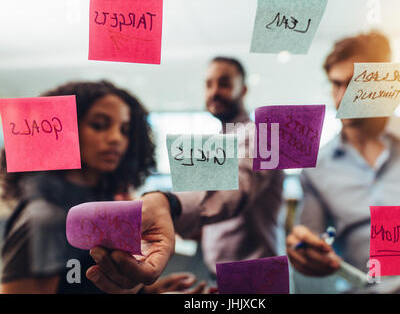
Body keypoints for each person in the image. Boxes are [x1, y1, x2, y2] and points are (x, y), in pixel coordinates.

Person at [87, 57, 285, 293]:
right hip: (221, 276)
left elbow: (234, 188)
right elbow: (209, 205)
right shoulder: (217, 142)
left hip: (258, 278)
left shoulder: (262, 135)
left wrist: (169, 204)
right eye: (208, 84)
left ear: (243, 89)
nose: (214, 91)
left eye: (224, 83)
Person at [286, 31, 400, 293]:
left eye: (354, 84)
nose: (342, 97)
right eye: (336, 84)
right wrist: (303, 251)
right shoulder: (318, 169)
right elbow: (309, 236)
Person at [0, 81, 199, 294]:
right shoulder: (46, 217)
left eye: (125, 130)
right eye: (99, 125)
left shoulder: (99, 201)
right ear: (67, 129)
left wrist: (150, 291)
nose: (116, 139)